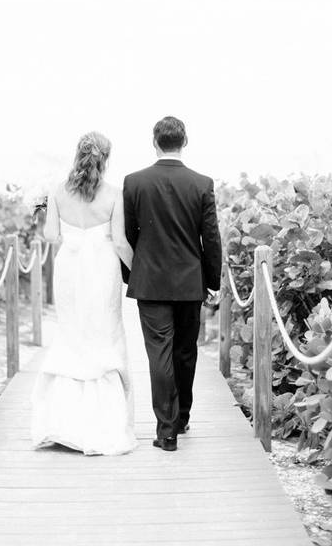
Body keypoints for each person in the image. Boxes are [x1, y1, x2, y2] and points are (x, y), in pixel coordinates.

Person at [30, 132, 139, 455]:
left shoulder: (58, 192)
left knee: (71, 333)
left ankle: (62, 422)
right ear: (105, 160)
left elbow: (51, 235)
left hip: (69, 269)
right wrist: (136, 274)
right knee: (103, 333)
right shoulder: (114, 194)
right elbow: (119, 242)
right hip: (103, 269)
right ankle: (102, 422)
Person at [122, 117, 223, 451]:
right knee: (185, 352)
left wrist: (132, 275)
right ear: (185, 142)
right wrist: (212, 280)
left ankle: (167, 431)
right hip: (189, 283)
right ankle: (181, 416)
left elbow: (129, 234)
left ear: (154, 142)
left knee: (159, 353)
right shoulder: (201, 183)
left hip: (150, 282)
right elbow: (211, 237)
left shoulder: (134, 182)